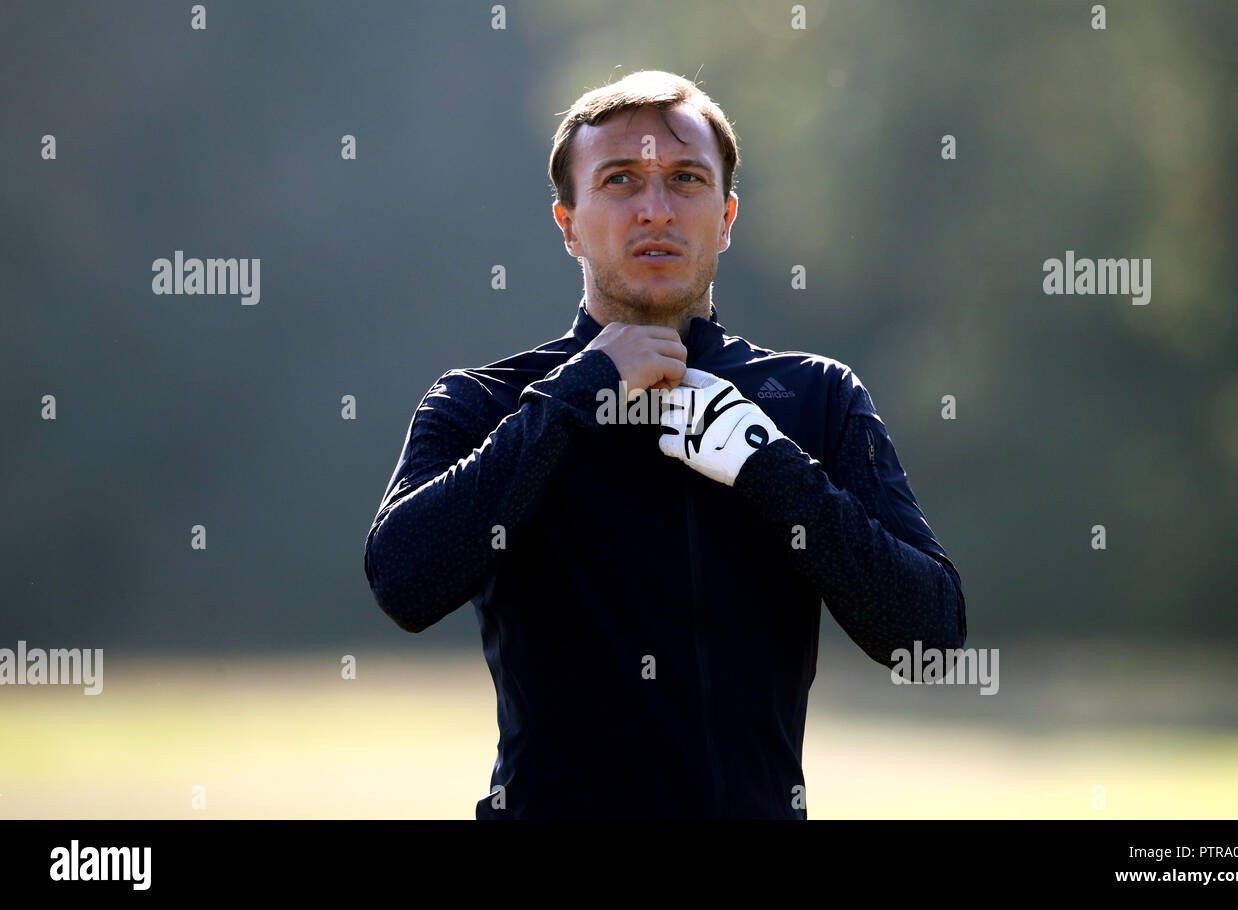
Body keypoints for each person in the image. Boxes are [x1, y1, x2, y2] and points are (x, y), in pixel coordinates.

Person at [363, 70, 966, 819]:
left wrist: (769, 464)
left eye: (686, 179)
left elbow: (931, 639)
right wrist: (572, 398)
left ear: (726, 216)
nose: (655, 208)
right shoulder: (486, 403)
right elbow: (403, 584)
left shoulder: (812, 397)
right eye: (620, 181)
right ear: (569, 223)